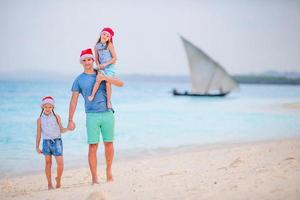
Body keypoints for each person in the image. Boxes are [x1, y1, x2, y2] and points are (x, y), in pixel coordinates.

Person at [68, 48, 124, 183]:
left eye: (89, 59)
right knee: (93, 146)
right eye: (84, 60)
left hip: (107, 113)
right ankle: (94, 178)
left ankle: (109, 172)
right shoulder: (79, 80)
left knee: (109, 144)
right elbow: (74, 100)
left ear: (93, 60)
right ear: (81, 62)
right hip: (91, 116)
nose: (87, 62)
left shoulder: (102, 72)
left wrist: (105, 77)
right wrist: (70, 119)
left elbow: (121, 84)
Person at [36, 96, 69, 189]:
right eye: (46, 107)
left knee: (60, 163)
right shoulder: (39, 120)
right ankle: (49, 184)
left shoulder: (56, 117)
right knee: (48, 163)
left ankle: (58, 179)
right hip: (46, 142)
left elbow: (62, 130)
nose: (47, 109)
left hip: (57, 141)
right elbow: (38, 134)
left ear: (53, 108)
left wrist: (69, 128)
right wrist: (37, 147)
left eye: (50, 107)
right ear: (43, 107)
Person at [88, 27, 117, 109]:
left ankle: (108, 102)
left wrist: (106, 64)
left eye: (107, 36)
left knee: (108, 83)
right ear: (101, 34)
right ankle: (92, 95)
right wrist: (98, 66)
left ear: (109, 38)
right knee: (98, 80)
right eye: (104, 34)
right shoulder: (96, 46)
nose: (105, 36)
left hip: (110, 67)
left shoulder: (110, 45)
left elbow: (115, 58)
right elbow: (96, 58)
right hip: (101, 68)